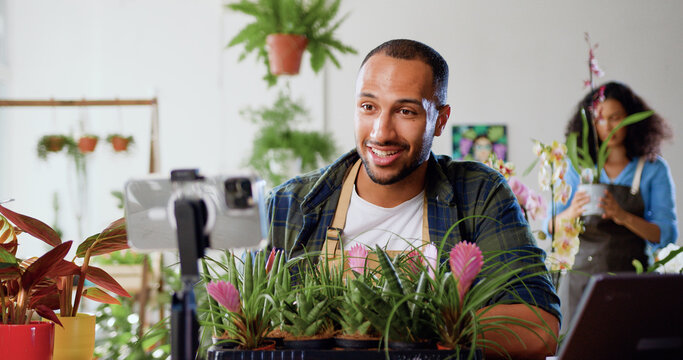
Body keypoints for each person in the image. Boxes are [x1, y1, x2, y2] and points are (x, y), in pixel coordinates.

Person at [267, 39, 560, 358]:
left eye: (405, 111)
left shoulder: (478, 193)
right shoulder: (289, 203)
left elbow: (538, 328)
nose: (381, 132)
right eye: (369, 107)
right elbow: (240, 331)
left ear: (440, 120)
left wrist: (399, 325)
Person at [546, 81, 678, 326]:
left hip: (632, 284)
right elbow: (549, 226)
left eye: (616, 118)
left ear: (631, 119)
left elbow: (667, 234)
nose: (607, 126)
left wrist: (622, 215)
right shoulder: (576, 167)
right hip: (578, 283)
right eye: (599, 119)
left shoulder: (652, 168)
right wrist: (573, 211)